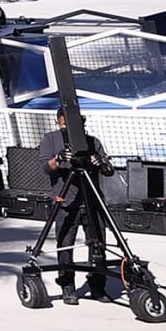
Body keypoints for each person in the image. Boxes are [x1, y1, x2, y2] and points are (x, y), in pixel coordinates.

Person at [39, 106, 111, 304]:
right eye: (64, 124)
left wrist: (100, 163)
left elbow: (108, 170)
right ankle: (67, 286)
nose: (68, 128)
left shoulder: (92, 141)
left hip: (92, 201)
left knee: (98, 246)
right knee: (65, 245)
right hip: (66, 202)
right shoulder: (50, 139)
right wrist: (59, 158)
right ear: (58, 122)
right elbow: (46, 167)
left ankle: (98, 285)